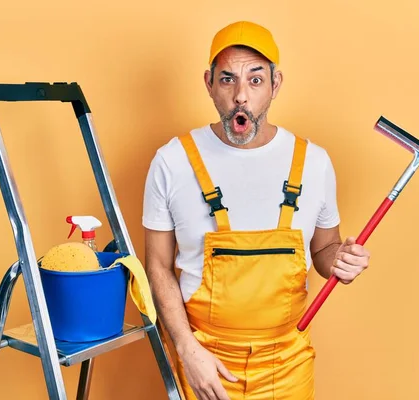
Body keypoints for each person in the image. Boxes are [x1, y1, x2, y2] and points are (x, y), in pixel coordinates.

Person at [142, 21, 371, 400]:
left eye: (255, 80)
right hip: (205, 364)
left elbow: (324, 252)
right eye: (228, 79)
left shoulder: (313, 162)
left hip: (289, 365)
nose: (241, 97)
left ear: (275, 85)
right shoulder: (172, 161)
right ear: (209, 83)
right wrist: (187, 349)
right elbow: (158, 267)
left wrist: (342, 261)